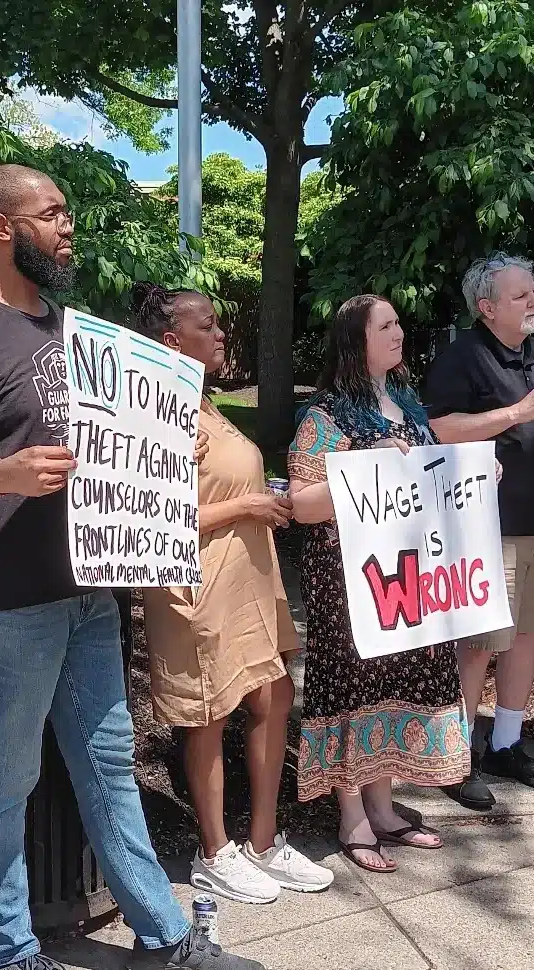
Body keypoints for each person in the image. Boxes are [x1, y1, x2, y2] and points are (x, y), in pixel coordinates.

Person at [0, 164, 263, 970]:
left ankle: (165, 936)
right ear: (2, 228)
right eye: (52, 214)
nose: (68, 228)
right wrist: (0, 475)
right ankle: (8, 950)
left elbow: (111, 439)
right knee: (5, 781)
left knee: (109, 766)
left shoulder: (73, 330)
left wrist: (164, 443)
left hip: (87, 586)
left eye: (68, 214)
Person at [134, 282, 333, 903]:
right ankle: (215, 851)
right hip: (197, 585)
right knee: (209, 715)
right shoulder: (152, 414)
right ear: (173, 342)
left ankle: (263, 842)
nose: (222, 334)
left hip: (249, 578)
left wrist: (260, 496)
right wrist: (248, 504)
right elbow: (147, 517)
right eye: (209, 326)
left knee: (274, 695)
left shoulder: (204, 403)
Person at [287, 294, 471, 873]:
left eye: (397, 323)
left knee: (392, 683)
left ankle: (384, 809)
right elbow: (302, 504)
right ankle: (353, 817)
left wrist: (470, 472)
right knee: (354, 688)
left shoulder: (407, 404)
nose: (398, 333)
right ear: (356, 340)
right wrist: (368, 464)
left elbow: (428, 475)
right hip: (350, 584)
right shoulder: (325, 416)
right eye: (385, 325)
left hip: (405, 581)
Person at [423, 253, 534, 809]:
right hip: (487, 527)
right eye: (520, 295)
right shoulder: (463, 357)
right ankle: (458, 757)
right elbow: (439, 428)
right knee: (479, 645)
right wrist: (514, 413)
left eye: (533, 291)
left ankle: (505, 743)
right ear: (487, 307)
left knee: (528, 636)